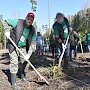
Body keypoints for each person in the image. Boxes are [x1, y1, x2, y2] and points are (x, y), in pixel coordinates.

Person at [3, 12, 36, 90]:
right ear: (26, 18)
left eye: (31, 19)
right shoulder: (18, 22)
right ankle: (13, 83)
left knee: (25, 62)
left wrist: (28, 54)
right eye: (28, 18)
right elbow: (5, 21)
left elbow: (32, 44)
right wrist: (7, 30)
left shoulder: (33, 30)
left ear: (33, 21)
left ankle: (22, 74)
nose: (29, 20)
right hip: (13, 45)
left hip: (23, 47)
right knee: (14, 62)